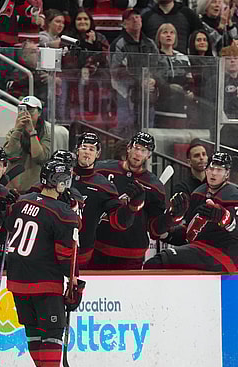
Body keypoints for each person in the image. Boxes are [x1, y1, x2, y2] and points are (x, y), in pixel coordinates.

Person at [5, 159, 79, 367]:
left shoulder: (21, 203)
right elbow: (66, 257)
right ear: (59, 183)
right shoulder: (63, 213)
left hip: (16, 280)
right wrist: (73, 283)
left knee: (35, 332)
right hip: (44, 281)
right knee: (52, 334)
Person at [144, 152, 238, 272]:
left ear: (227, 174)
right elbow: (189, 232)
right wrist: (166, 231)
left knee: (158, 262)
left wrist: (225, 218)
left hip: (223, 255)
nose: (214, 173)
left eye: (219, 170)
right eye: (211, 168)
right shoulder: (198, 193)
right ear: (206, 170)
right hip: (199, 249)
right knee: (155, 263)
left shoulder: (233, 196)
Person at [93, 132, 168, 270]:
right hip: (99, 246)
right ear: (128, 148)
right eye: (136, 147)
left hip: (131, 253)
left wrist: (172, 217)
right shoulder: (102, 169)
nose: (138, 153)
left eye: (144, 150)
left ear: (149, 155)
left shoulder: (155, 186)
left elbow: (154, 229)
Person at [71, 132, 137, 267]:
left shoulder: (104, 185)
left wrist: (131, 207)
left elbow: (120, 222)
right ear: (77, 150)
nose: (87, 153)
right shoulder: (61, 177)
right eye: (84, 148)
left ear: (98, 154)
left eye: (91, 149)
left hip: (83, 253)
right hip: (53, 250)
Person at [111, 8, 159, 137]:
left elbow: (157, 65)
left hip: (146, 91)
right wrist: (139, 81)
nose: (136, 20)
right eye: (131, 18)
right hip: (125, 92)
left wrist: (153, 79)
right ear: (124, 23)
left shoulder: (150, 43)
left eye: (138, 17)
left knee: (148, 124)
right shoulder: (119, 44)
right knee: (125, 125)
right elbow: (116, 69)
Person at [4, 95, 53, 193]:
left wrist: (32, 132)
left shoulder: (47, 133)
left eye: (30, 110)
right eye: (22, 109)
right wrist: (17, 130)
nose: (26, 113)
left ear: (39, 112)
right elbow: (10, 154)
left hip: (35, 189)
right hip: (12, 188)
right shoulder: (13, 132)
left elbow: (40, 157)